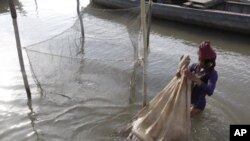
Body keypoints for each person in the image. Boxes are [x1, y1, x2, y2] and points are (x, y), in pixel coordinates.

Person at [184, 41, 218, 117]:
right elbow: (184, 75)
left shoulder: (212, 74)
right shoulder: (194, 66)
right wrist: (180, 70)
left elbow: (210, 91)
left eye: (201, 60)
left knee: (188, 117)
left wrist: (196, 79)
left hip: (198, 105)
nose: (199, 61)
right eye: (199, 59)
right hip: (188, 99)